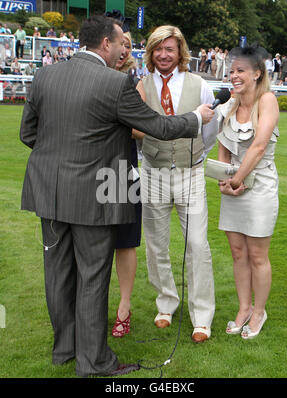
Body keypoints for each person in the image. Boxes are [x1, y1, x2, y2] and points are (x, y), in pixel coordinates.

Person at [20, 15, 214, 377]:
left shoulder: (45, 75)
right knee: (93, 277)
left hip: (48, 193)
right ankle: (92, 362)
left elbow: (28, 134)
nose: (124, 49)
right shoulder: (116, 83)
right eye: (121, 42)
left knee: (58, 273)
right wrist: (196, 118)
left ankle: (66, 350)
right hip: (95, 195)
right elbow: (157, 126)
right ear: (105, 44)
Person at [141, 25, 218, 343]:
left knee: (197, 246)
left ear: (180, 52)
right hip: (153, 172)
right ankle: (166, 303)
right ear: (151, 52)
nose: (163, 54)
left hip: (190, 172)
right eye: (158, 48)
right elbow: (137, 129)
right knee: (156, 244)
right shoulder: (141, 86)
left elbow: (210, 131)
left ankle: (202, 316)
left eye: (169, 49)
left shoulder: (200, 86)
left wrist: (196, 156)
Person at [217, 45, 279, 339]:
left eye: (240, 70)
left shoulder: (267, 100)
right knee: (237, 252)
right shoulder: (230, 105)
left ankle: (259, 311)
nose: (234, 76)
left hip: (260, 187)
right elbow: (223, 150)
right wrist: (223, 179)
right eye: (232, 71)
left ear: (257, 73)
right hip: (234, 188)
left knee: (257, 255)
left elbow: (259, 146)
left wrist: (237, 179)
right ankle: (243, 308)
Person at [112, 30, 145, 338]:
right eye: (120, 42)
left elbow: (142, 129)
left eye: (128, 45)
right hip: (91, 174)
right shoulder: (88, 77)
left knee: (126, 241)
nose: (124, 49)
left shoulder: (132, 84)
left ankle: (124, 308)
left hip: (124, 173)